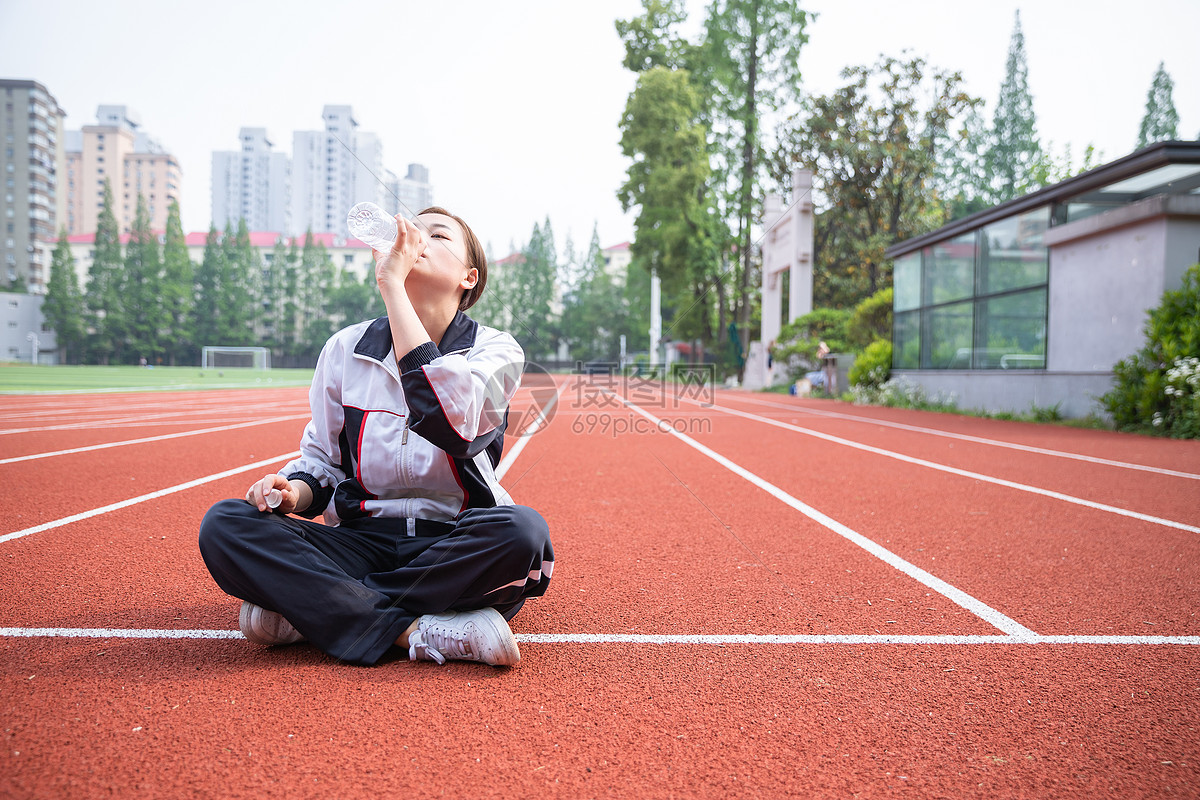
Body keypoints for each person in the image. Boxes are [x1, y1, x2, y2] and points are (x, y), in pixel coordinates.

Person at [198, 207, 553, 667]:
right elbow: (322, 461)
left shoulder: (496, 349)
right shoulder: (345, 349)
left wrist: (392, 288)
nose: (416, 239)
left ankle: (314, 610)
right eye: (413, 230)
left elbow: (454, 427)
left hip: (451, 541)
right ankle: (413, 631)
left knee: (523, 535)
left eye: (438, 235)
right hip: (360, 543)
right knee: (227, 524)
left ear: (469, 277)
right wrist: (292, 493)